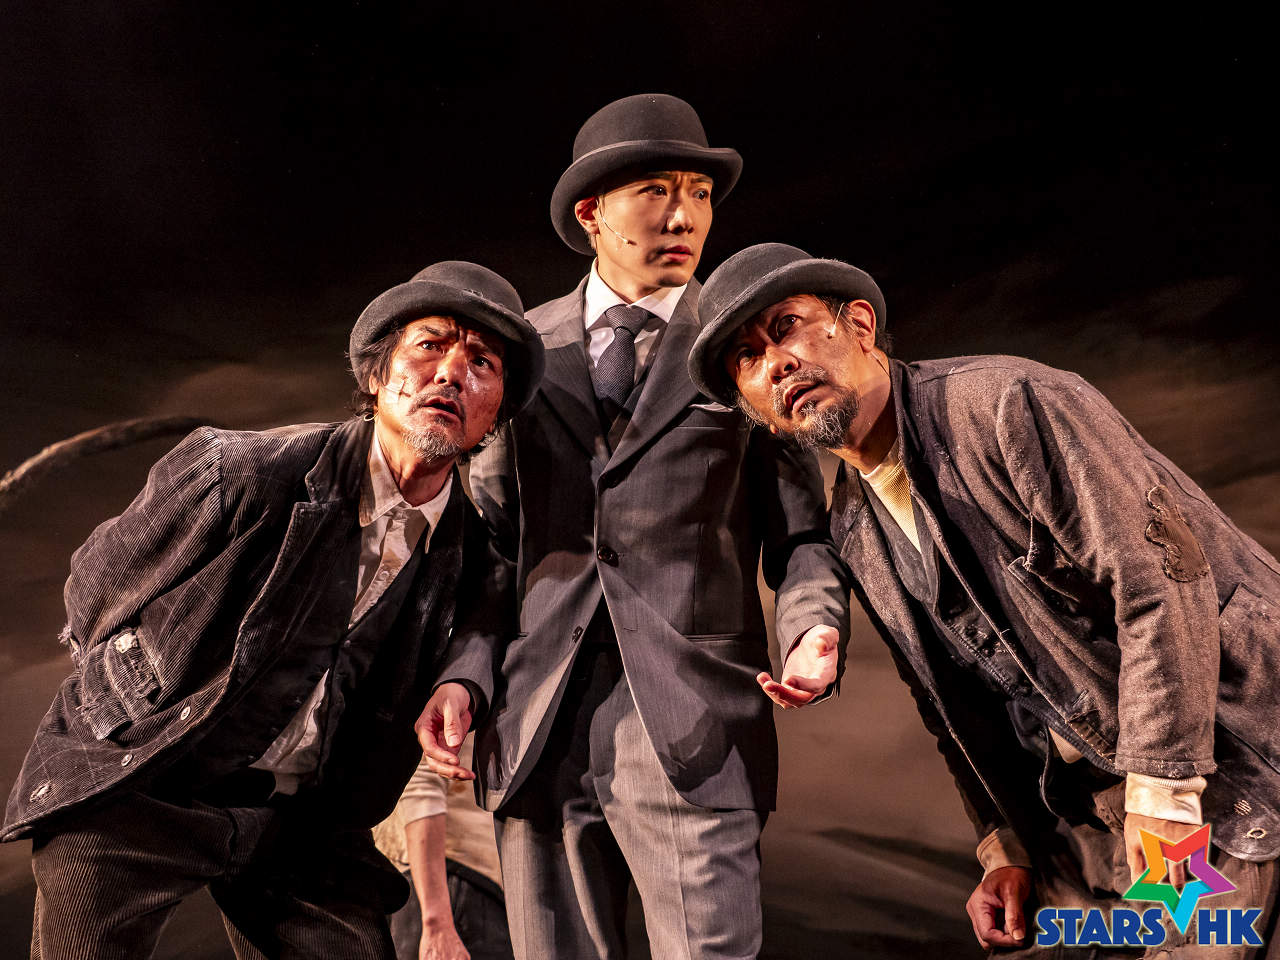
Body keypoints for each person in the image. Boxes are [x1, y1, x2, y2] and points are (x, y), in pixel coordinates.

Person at [689, 242, 1280, 958]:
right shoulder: (854, 526)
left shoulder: (1006, 405)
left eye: (786, 326)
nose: (776, 363)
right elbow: (950, 705)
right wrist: (1005, 846)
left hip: (1226, 758)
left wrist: (1163, 786)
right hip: (1093, 810)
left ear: (861, 326)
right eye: (747, 359)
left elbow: (1161, 583)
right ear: (755, 411)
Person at [2, 260, 542, 960]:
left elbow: (484, 624)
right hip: (145, 783)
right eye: (429, 346)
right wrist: (134, 708)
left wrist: (459, 684)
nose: (451, 374)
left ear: (495, 414)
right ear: (378, 375)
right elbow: (97, 587)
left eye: (481, 363)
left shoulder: (469, 551)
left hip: (301, 822)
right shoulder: (243, 471)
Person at [416, 96, 850, 960]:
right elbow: (492, 550)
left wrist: (814, 627)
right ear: (591, 213)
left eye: (700, 193)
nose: (685, 217)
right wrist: (464, 674)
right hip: (536, 731)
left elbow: (802, 536)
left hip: (696, 730)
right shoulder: (517, 353)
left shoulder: (747, 350)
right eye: (656, 190)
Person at [375, 738, 512, 960]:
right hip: (453, 887)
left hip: (453, 888)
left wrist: (437, 920)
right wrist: (437, 921)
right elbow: (421, 783)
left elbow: (421, 781)